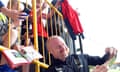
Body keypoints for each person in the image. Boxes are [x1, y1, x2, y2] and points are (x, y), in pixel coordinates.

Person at [45, 35, 117, 72]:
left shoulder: (81, 57)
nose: (63, 48)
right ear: (51, 51)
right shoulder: (51, 70)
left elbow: (102, 61)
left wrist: (109, 53)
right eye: (58, 47)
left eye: (63, 44)